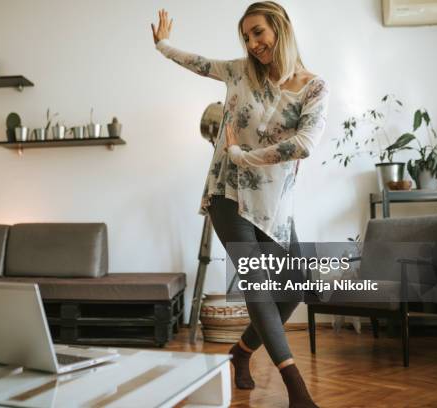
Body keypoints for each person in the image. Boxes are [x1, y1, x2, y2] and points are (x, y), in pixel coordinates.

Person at [152, 2, 328, 407]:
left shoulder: (314, 87)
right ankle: (296, 389)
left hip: (274, 203)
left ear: (280, 29)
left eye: (258, 33)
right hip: (226, 193)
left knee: (295, 286)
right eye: (246, 37)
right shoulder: (239, 72)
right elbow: (198, 63)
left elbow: (304, 144)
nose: (252, 44)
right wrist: (163, 45)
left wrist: (242, 155)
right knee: (258, 286)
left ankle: (241, 351)